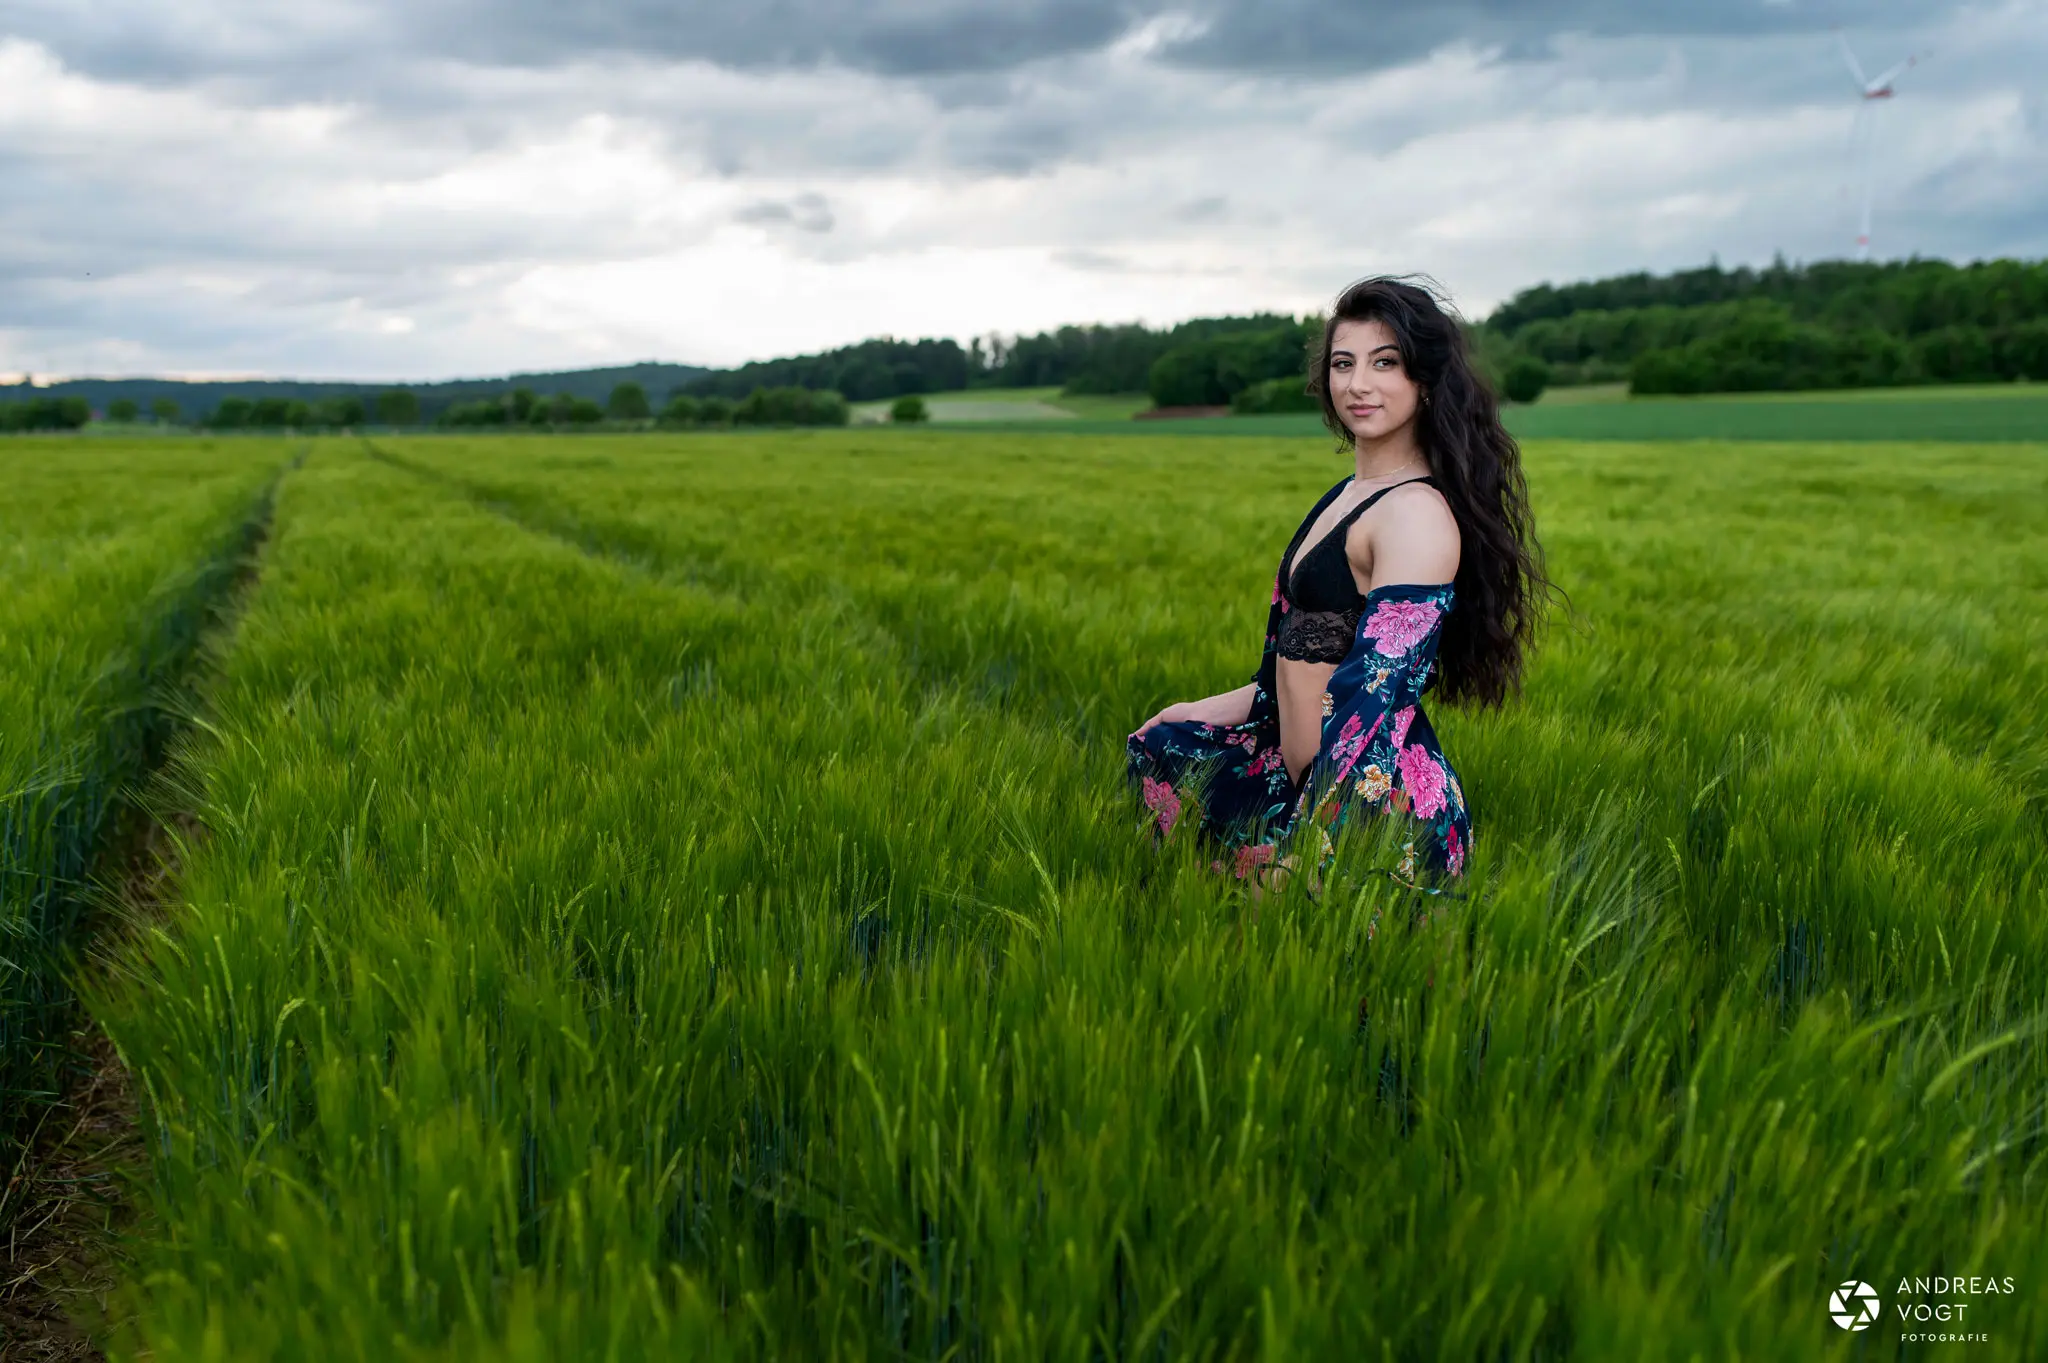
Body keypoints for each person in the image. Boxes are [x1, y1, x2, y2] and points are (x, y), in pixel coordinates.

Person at [1127, 276, 1551, 898]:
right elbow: (1291, 663)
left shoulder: (1414, 515)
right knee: (1162, 747)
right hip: (1302, 781)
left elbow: (1373, 706)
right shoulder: (1347, 496)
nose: (1358, 384)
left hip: (1371, 810)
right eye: (1343, 363)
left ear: (1425, 381)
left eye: (1386, 363)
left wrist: (1311, 846)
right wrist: (1197, 711)